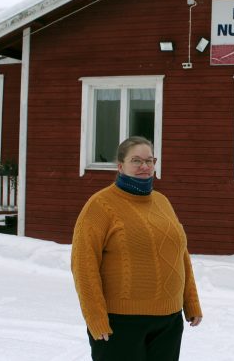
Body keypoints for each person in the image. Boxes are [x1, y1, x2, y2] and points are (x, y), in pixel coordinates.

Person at [71, 136, 202, 361]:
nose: (145, 166)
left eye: (149, 160)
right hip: (121, 322)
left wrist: (191, 302)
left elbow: (180, 254)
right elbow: (84, 265)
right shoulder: (100, 205)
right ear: (120, 166)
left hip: (168, 321)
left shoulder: (162, 202)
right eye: (136, 160)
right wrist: (95, 317)